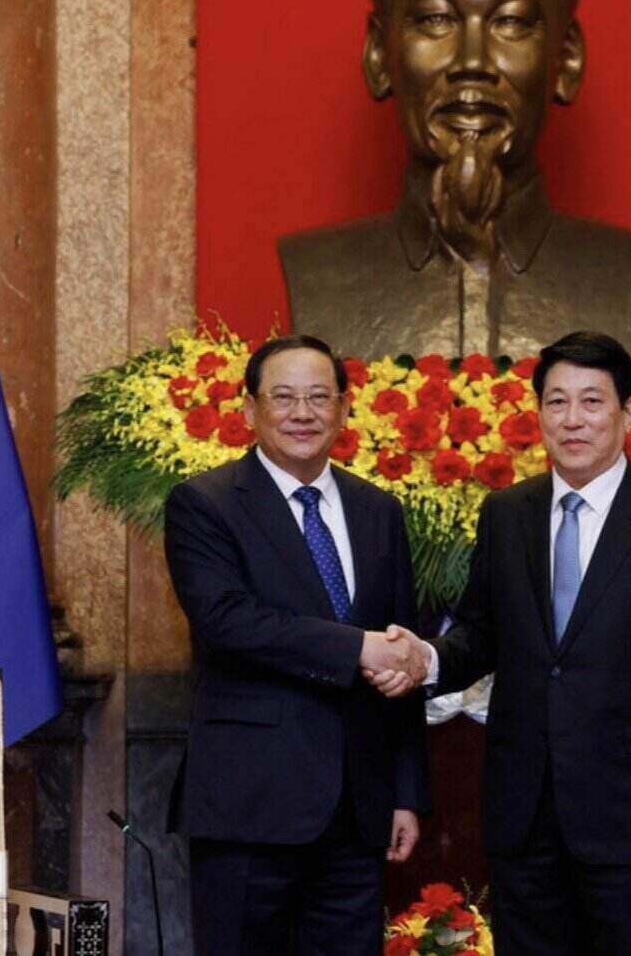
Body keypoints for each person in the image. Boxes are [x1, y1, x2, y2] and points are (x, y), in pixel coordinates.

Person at [370, 330, 631, 955]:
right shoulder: (507, 513)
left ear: (628, 412)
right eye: (557, 402)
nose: (573, 420)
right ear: (538, 413)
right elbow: (482, 634)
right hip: (525, 815)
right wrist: (425, 658)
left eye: (592, 402)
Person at [279, 0, 631, 360]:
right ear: (379, 55)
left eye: (512, 22)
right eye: (436, 20)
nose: (472, 61)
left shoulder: (624, 271)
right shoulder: (318, 272)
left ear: (566, 61)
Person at [164, 334, 430, 956]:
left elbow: (400, 648)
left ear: (343, 409)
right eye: (283, 398)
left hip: (358, 813)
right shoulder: (205, 505)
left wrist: (406, 793)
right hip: (249, 806)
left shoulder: (378, 510)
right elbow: (228, 620)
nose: (302, 413)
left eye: (318, 397)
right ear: (250, 410)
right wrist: (357, 649)